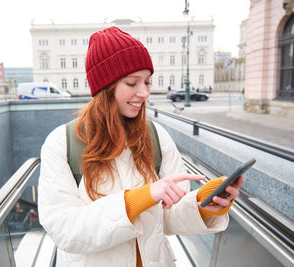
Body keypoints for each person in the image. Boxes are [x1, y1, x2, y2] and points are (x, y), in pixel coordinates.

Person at [38, 27, 243, 267]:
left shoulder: (156, 136)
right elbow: (64, 229)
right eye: (132, 82)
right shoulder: (62, 143)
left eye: (147, 81)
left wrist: (203, 204)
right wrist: (141, 198)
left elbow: (166, 219)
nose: (145, 92)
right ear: (105, 86)